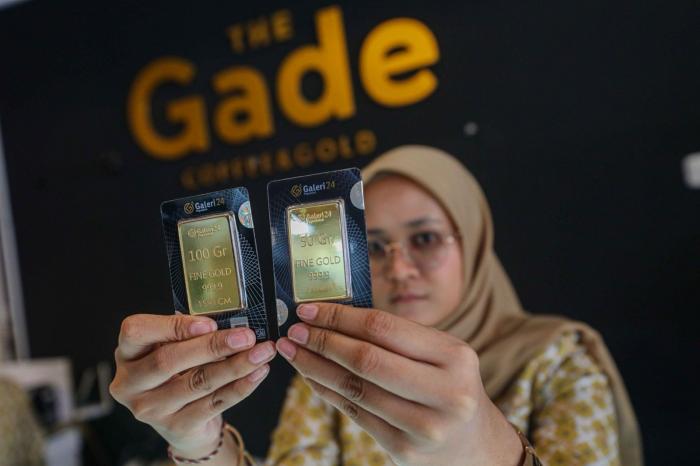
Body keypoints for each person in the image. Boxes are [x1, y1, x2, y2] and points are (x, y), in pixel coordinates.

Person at [110, 145, 643, 465]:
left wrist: (491, 453)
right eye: (374, 246)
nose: (399, 268)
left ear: (476, 243)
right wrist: (195, 441)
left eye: (425, 239)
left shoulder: (557, 360)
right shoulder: (329, 369)